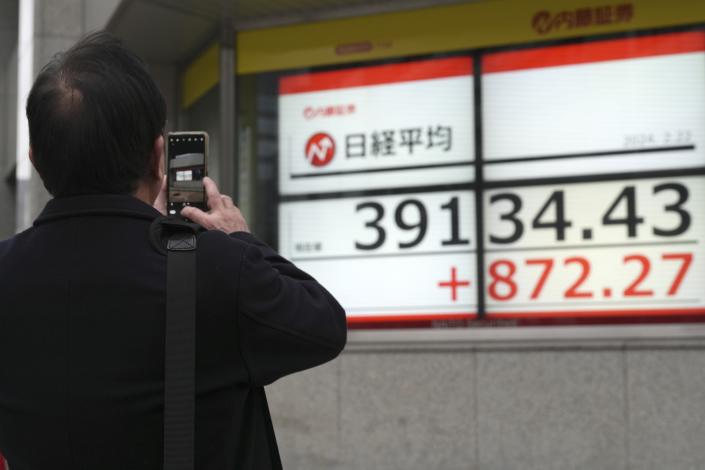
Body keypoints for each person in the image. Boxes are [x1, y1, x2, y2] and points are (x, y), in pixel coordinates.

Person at [0, 31, 346, 469]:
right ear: (158, 155)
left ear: (35, 158)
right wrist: (239, 237)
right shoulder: (215, 269)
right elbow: (323, 325)